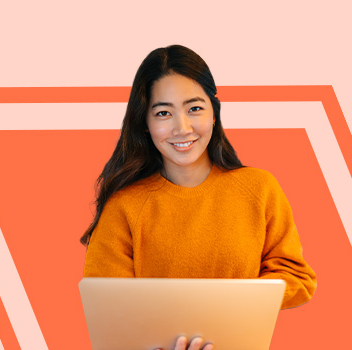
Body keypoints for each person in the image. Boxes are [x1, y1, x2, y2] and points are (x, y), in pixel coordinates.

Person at [81, 44, 317, 350]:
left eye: (195, 108)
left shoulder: (259, 188)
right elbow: (108, 310)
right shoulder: (123, 207)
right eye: (163, 113)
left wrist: (227, 307)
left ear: (215, 112)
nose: (182, 128)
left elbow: (297, 277)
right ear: (146, 124)